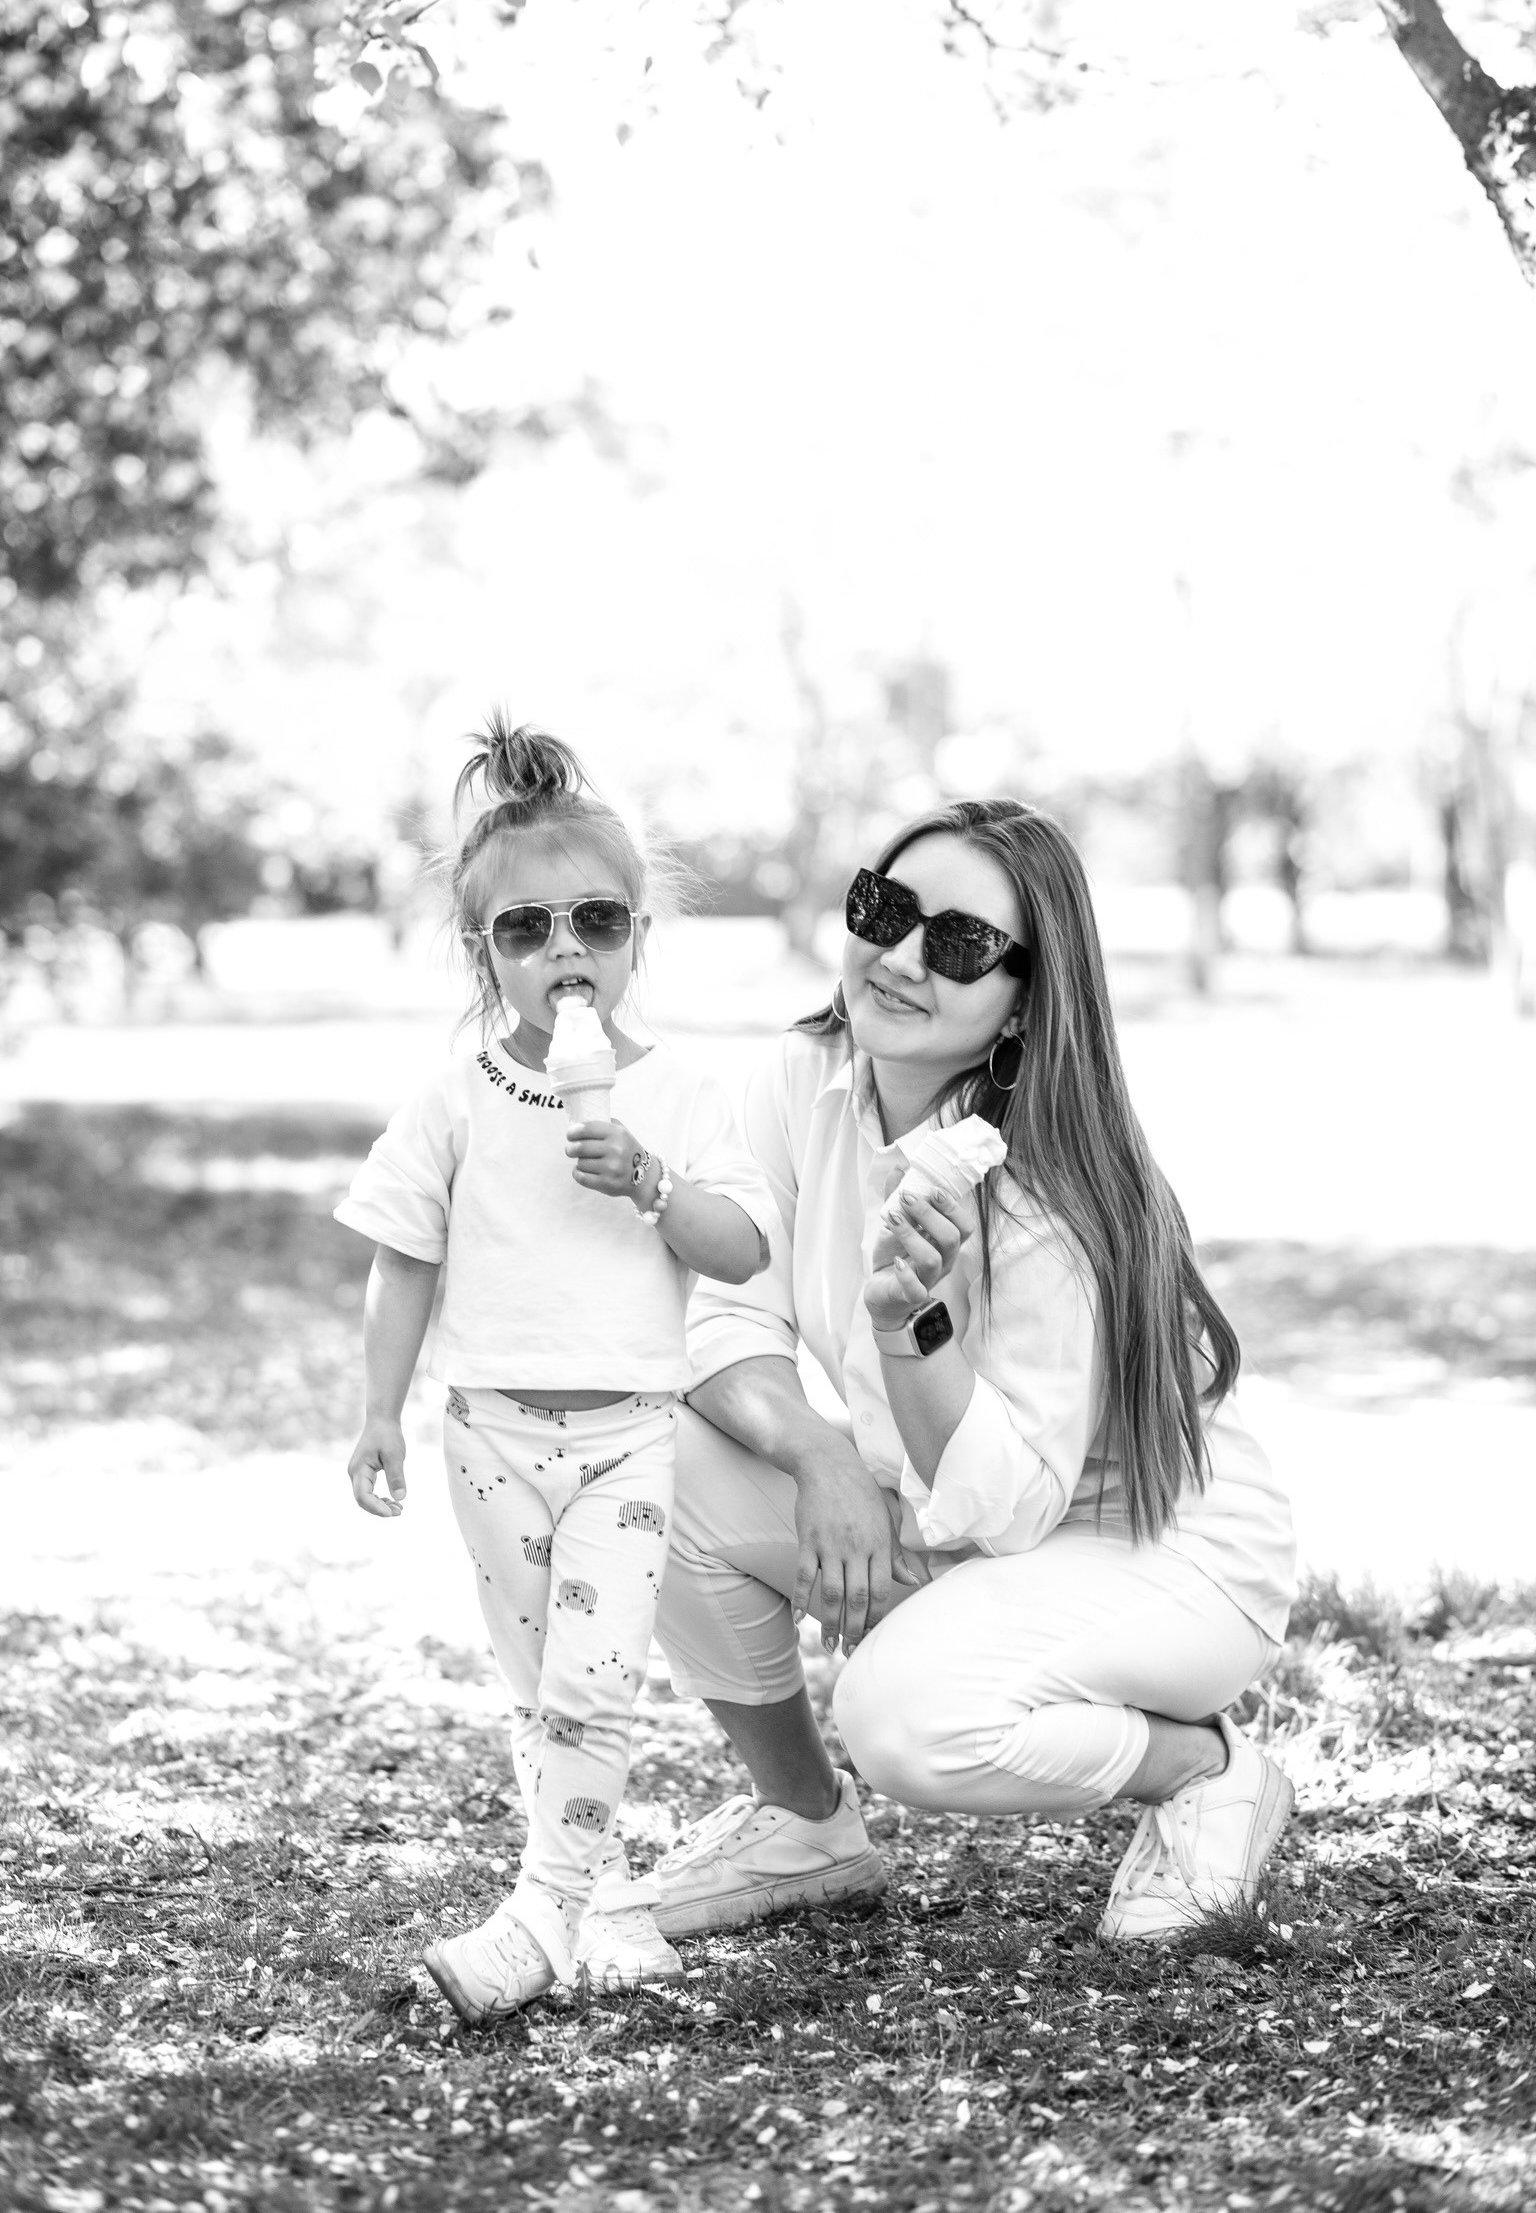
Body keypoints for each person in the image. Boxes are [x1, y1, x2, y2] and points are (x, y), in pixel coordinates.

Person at [612, 798, 1297, 1945]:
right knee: (645, 1454)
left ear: (1025, 998)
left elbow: (1011, 1506)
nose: (900, 957)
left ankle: (1205, 1768)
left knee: (903, 1717)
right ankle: (804, 1826)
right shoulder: (801, 1078)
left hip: (1164, 1551)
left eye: (962, 943)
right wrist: (820, 1457)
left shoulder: (1046, 1188)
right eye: (885, 909)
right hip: (958, 1515)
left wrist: (908, 1332)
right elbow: (712, 1315)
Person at [334, 718, 776, 2020]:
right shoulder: (456, 1094)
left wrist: (652, 1181)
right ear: (485, 954)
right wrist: (378, 1412)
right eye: (525, 930)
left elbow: (742, 1248)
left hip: (629, 1436)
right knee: (538, 1693)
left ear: (638, 936)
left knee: (597, 1683)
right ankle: (600, 1895)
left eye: (596, 921)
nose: (564, 951)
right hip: (489, 1434)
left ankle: (542, 1914)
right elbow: (403, 1257)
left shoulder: (682, 1093)